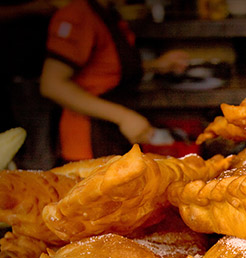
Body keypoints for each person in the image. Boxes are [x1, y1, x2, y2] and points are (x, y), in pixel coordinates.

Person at [39, 0, 189, 162]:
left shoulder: (107, 14)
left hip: (112, 134)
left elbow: (104, 68)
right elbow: (52, 85)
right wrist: (124, 117)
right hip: (87, 142)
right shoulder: (77, 14)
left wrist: (156, 66)